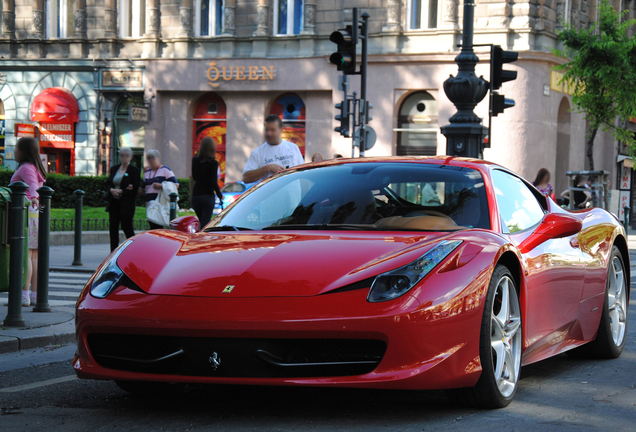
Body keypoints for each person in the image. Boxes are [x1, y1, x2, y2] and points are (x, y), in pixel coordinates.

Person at [10, 137, 46, 306]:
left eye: (16, 147)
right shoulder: (34, 167)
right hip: (35, 214)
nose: (14, 150)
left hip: (27, 214)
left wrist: (34, 199)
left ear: (24, 151)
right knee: (33, 256)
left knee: (26, 256)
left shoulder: (25, 168)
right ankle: (34, 295)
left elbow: (32, 185)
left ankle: (24, 295)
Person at [242, 114, 305, 184]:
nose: (269, 133)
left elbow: (303, 174)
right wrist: (267, 168)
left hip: (293, 194)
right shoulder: (257, 153)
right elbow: (246, 178)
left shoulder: (293, 148)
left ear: (281, 130)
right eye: (267, 130)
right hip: (270, 195)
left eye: (272, 130)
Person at [106, 147, 141, 251]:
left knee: (127, 228)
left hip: (126, 204)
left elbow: (134, 189)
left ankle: (134, 251)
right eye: (122, 155)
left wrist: (122, 191)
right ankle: (113, 252)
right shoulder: (114, 168)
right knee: (113, 229)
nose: (124, 157)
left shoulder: (134, 171)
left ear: (131, 157)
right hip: (114, 203)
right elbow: (108, 184)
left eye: (126, 155)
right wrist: (112, 190)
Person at [139, 149, 179, 229]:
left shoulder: (165, 170)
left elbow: (175, 185)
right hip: (150, 204)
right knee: (153, 226)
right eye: (149, 158)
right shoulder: (147, 173)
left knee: (158, 226)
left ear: (158, 158)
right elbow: (143, 188)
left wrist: (161, 186)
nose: (151, 160)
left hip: (160, 204)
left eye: (153, 158)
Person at [191, 137, 224, 226]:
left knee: (202, 221)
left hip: (196, 195)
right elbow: (213, 182)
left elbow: (194, 177)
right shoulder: (213, 163)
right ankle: (202, 239)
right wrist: (220, 195)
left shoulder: (195, 160)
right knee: (205, 223)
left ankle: (199, 238)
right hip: (208, 196)